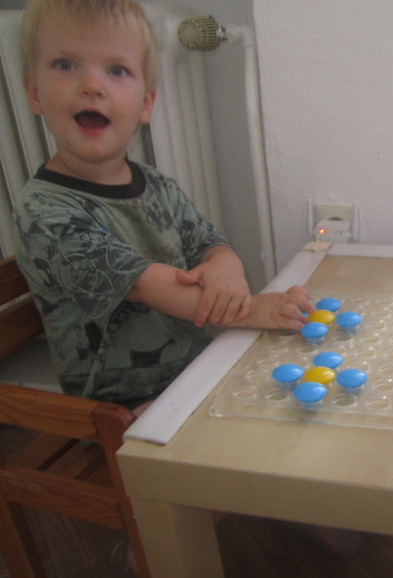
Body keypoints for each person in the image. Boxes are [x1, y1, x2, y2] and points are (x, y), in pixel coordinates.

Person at [14, 0, 311, 413]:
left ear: (146, 104)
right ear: (34, 92)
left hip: (196, 371)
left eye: (117, 70)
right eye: (66, 65)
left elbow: (206, 242)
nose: (92, 85)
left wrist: (226, 265)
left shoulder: (157, 184)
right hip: (124, 406)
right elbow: (142, 283)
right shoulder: (45, 213)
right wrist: (253, 309)